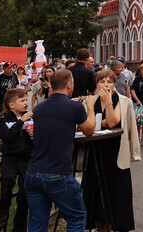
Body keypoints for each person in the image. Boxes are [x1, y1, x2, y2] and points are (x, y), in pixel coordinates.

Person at [25, 68, 97, 232]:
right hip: (57, 173)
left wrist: (73, 104)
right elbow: (89, 130)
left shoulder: (39, 109)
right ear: (70, 85)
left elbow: (57, 117)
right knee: (77, 218)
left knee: (37, 223)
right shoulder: (75, 108)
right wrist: (90, 106)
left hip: (33, 173)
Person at [81, 68, 139, 232]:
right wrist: (94, 112)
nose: (106, 85)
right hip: (95, 152)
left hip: (116, 153)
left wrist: (107, 104)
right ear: (96, 83)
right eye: (102, 81)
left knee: (115, 196)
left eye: (109, 81)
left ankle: (113, 227)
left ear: (114, 84)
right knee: (97, 199)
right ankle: (100, 227)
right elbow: (87, 124)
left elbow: (113, 122)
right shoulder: (90, 101)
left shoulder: (123, 100)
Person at [0, 88, 33, 232]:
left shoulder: (30, 119)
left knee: (24, 195)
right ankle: (3, 215)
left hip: (26, 160)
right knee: (8, 180)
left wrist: (34, 134)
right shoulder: (4, 121)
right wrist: (20, 122)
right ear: (11, 105)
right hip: (10, 158)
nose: (25, 103)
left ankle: (20, 224)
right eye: (22, 100)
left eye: (26, 100)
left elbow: (35, 142)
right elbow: (6, 136)